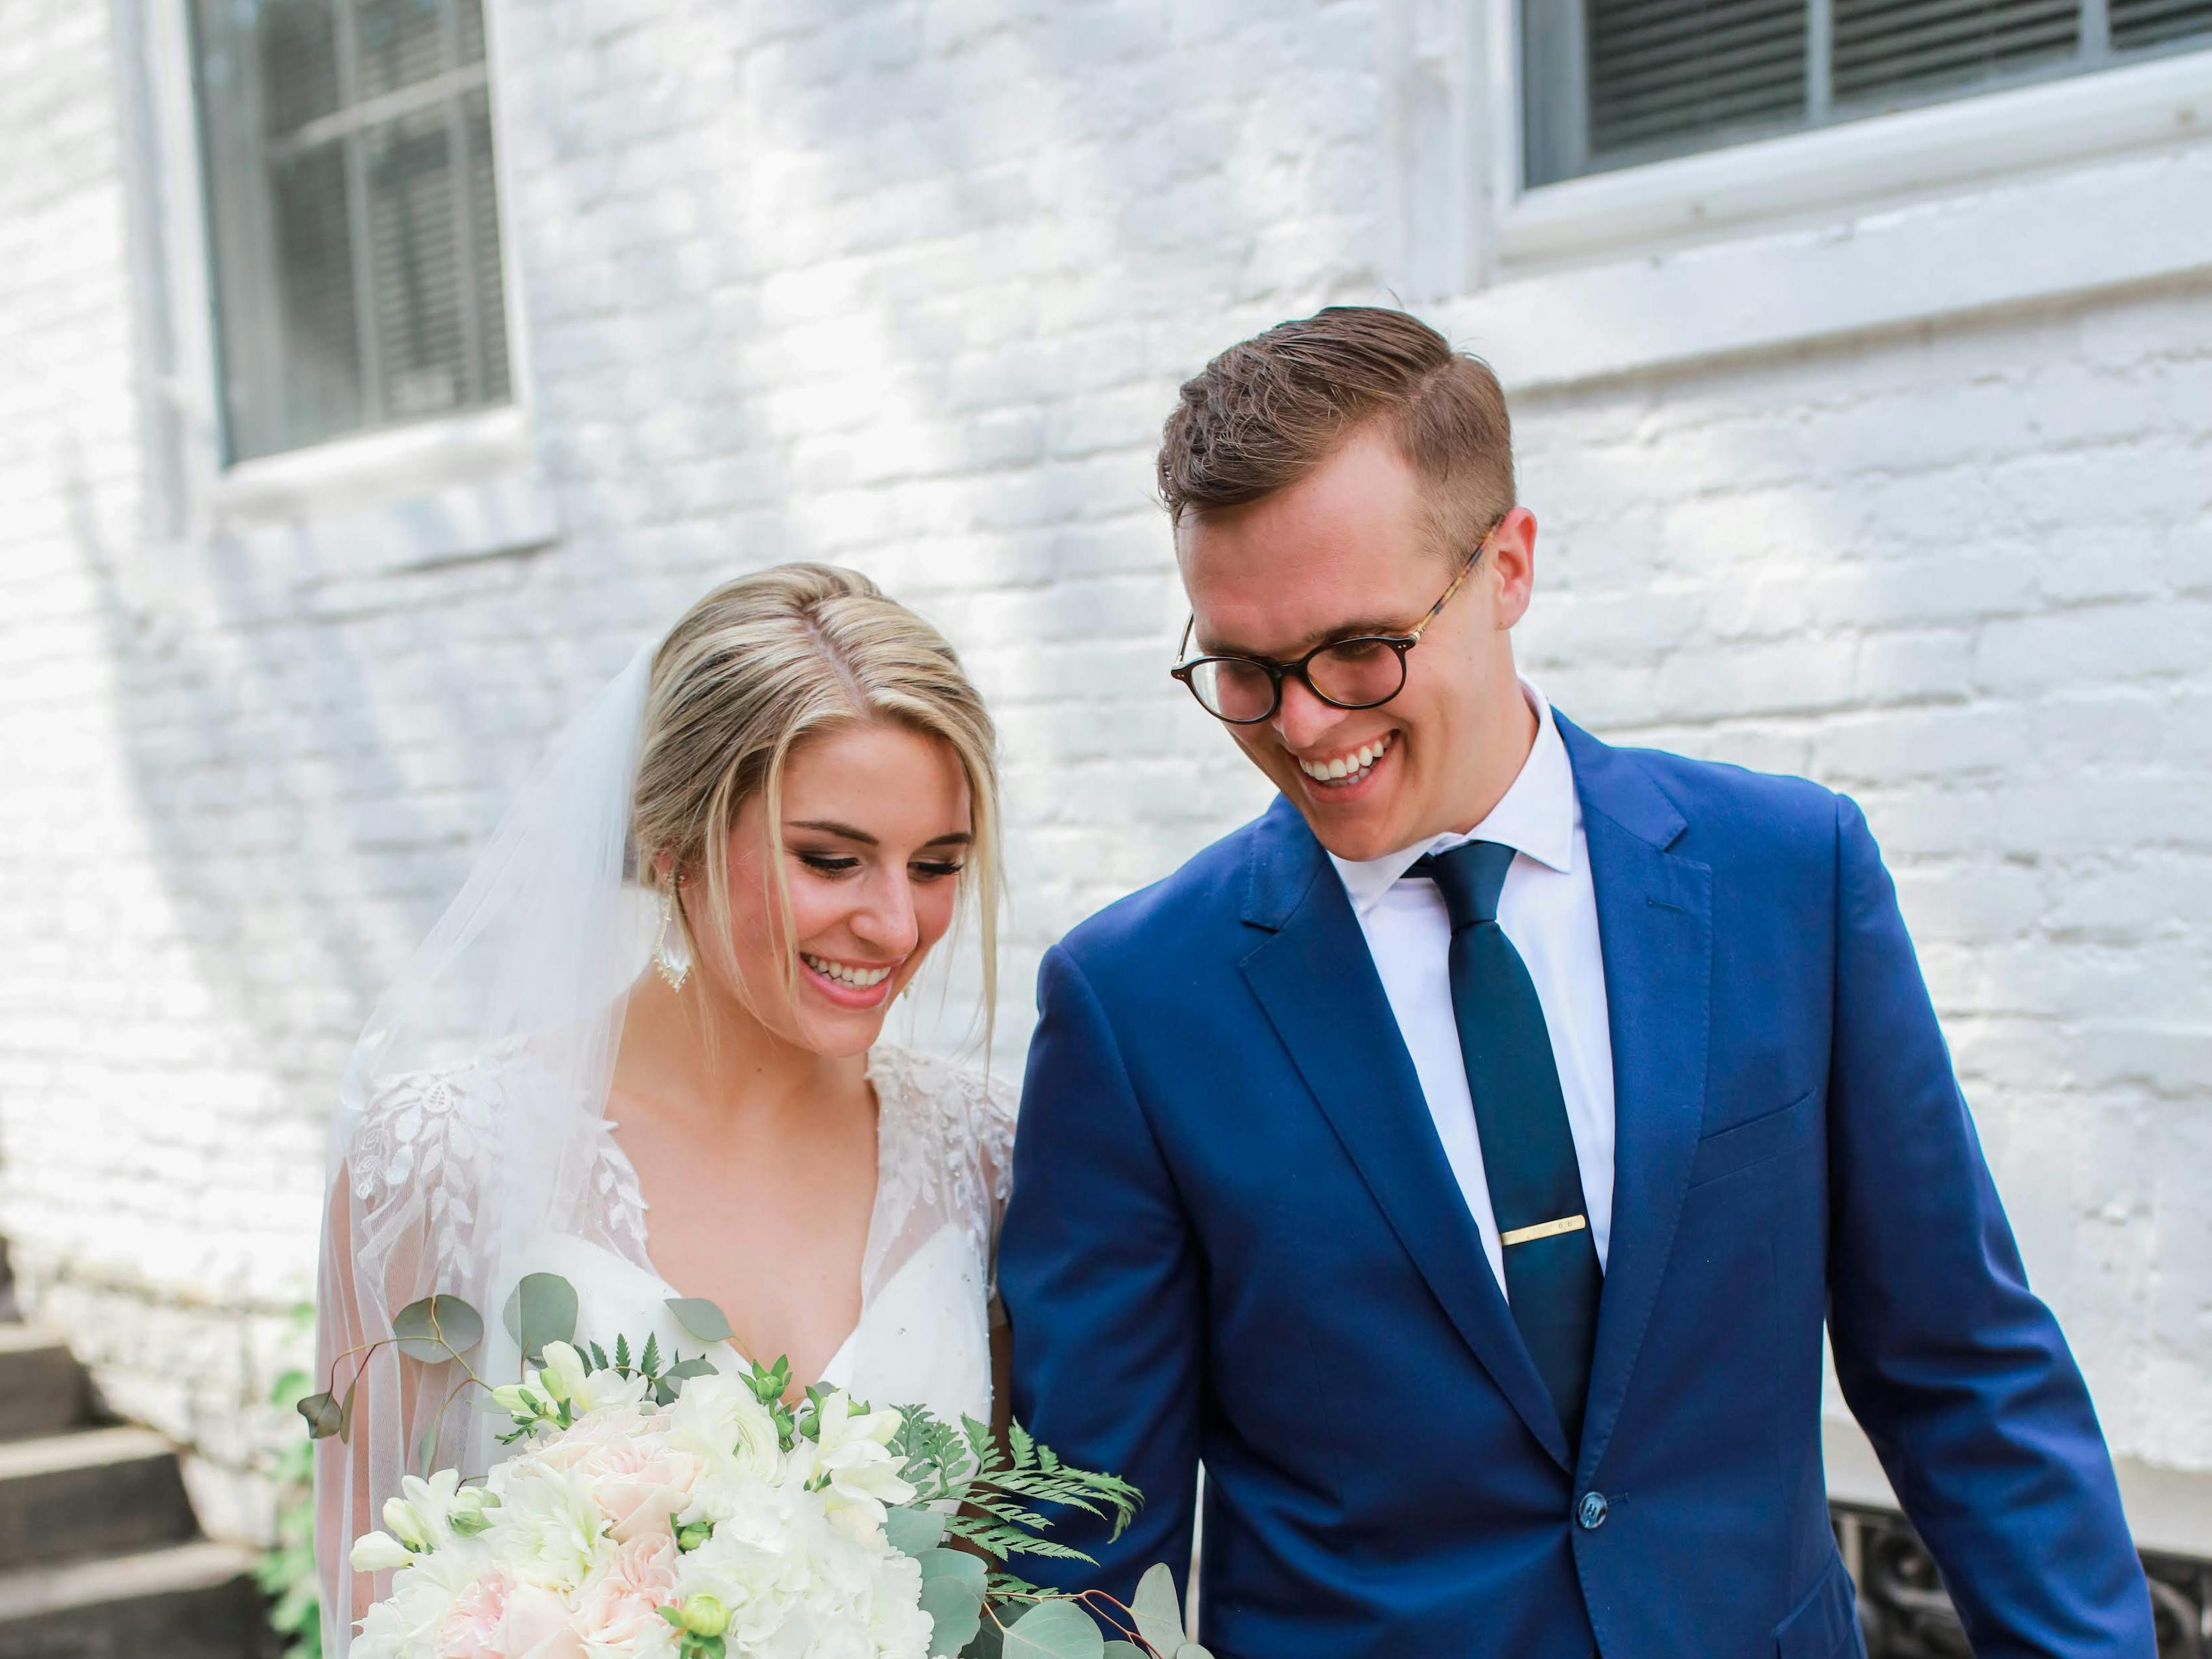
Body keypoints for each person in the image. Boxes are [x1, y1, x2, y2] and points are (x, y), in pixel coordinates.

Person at [997, 308, 2155, 1658]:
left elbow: (1963, 1370)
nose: (1303, 726)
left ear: (1507, 566)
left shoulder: (1788, 876)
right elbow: (1082, 1556)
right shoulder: (1133, 1004)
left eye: (1357, 651)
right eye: (1243, 671)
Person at [314, 565, 1016, 1655]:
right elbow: (374, 1588)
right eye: (831, 858)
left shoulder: (983, 1156)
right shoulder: (437, 1155)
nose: (895, 920)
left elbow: (992, 1579)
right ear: (671, 838)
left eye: (936, 864)